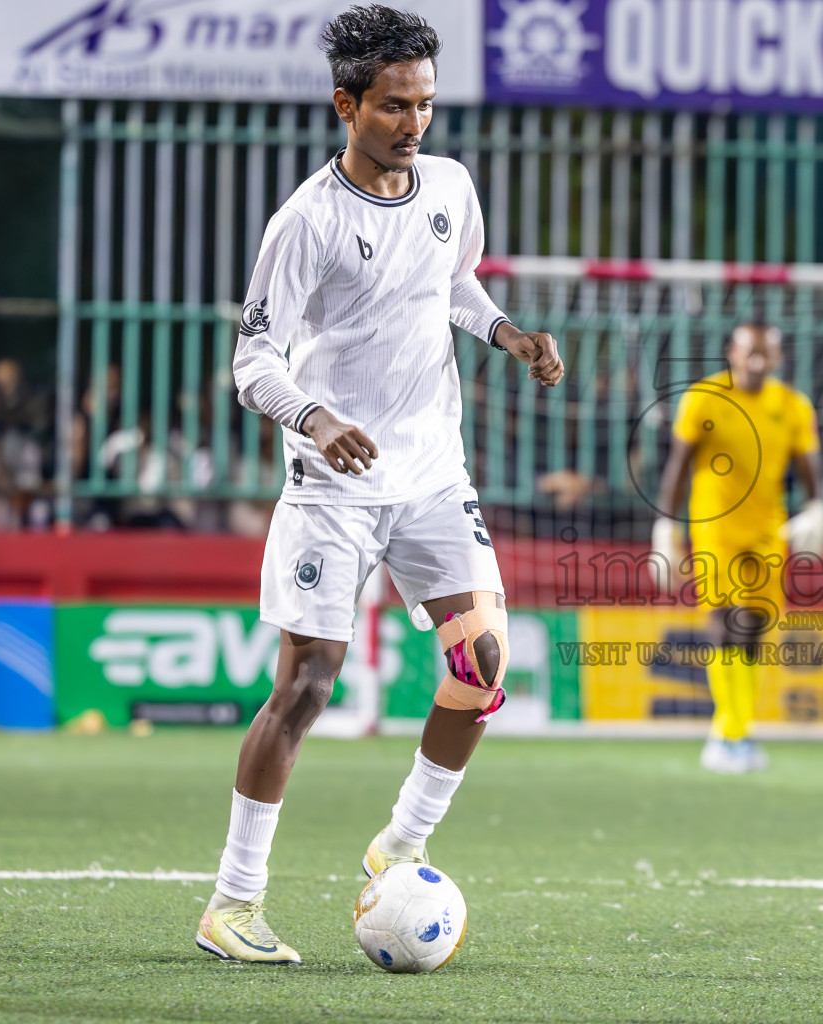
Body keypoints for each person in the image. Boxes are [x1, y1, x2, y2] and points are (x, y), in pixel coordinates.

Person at [195, 4, 563, 965]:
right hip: (333, 483)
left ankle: (399, 845)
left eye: (427, 104)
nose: (415, 124)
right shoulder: (307, 220)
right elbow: (252, 360)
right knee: (308, 685)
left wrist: (507, 334)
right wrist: (315, 418)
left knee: (481, 666)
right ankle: (233, 902)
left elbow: (456, 283)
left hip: (433, 471)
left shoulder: (448, 184)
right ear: (346, 104)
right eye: (395, 106)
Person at [653, 324, 823, 774]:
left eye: (766, 354)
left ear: (778, 357)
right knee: (723, 624)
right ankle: (731, 734)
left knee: (753, 629)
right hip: (715, 530)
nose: (757, 362)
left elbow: (810, 469)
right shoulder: (704, 399)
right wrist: (665, 526)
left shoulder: (792, 405)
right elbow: (678, 466)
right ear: (732, 352)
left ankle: (733, 731)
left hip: (769, 532)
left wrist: (817, 507)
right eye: (750, 353)